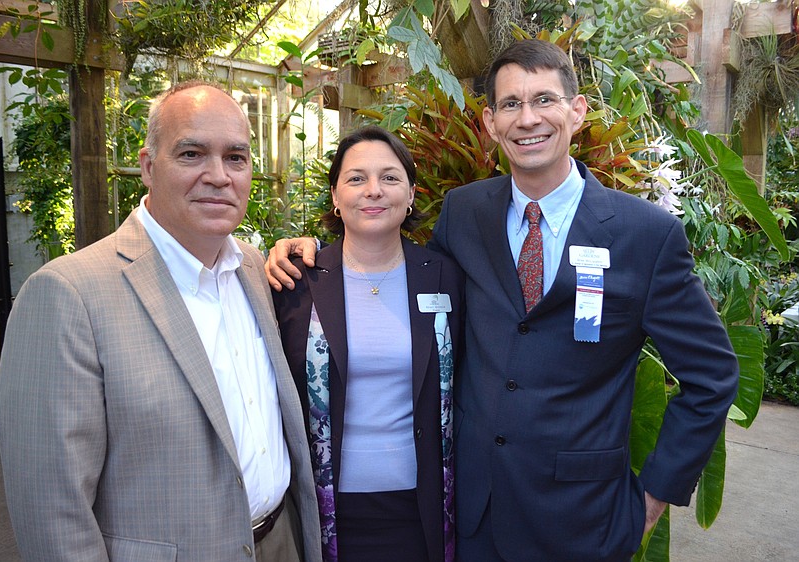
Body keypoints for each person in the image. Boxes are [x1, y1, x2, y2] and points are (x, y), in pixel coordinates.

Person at [265, 40, 739, 562]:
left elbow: (712, 374)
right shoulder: (465, 214)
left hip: (585, 520)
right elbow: (406, 282)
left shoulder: (644, 235)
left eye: (544, 100)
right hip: (474, 517)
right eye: (511, 104)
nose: (527, 118)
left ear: (577, 111)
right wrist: (309, 253)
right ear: (491, 122)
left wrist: (653, 498)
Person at [0, 81, 321, 562]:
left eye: (236, 157)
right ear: (148, 167)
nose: (219, 176)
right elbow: (52, 510)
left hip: (282, 543)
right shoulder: (68, 294)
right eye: (192, 154)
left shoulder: (255, 270)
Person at [273, 125, 463, 562]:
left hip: (422, 508)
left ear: (411, 194)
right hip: (326, 509)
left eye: (390, 178)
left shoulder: (445, 276)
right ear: (336, 197)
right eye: (356, 178)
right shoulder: (295, 281)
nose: (374, 190)